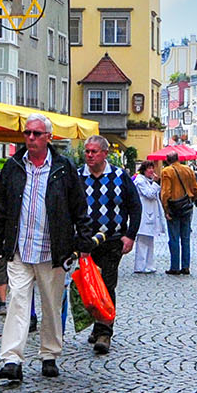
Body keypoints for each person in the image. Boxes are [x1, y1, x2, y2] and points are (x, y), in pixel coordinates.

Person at [0, 114, 93, 382]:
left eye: (36, 133)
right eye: (27, 133)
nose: (30, 138)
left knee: (51, 305)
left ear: (48, 137)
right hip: (19, 248)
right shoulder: (13, 166)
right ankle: (11, 359)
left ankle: (49, 353)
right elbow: (0, 207)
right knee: (18, 302)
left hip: (53, 249)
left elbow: (79, 207)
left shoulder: (63, 168)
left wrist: (84, 240)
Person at [78, 135, 141, 356]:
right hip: (86, 242)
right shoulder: (78, 177)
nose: (89, 155)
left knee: (106, 284)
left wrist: (130, 235)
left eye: (94, 151)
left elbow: (135, 206)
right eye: (87, 151)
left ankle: (105, 332)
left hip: (112, 240)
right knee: (88, 285)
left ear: (105, 153)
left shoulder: (119, 176)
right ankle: (97, 325)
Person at [159, 154, 197, 274]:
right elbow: (196, 189)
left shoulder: (167, 171)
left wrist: (166, 209)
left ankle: (175, 266)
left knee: (174, 238)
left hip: (174, 207)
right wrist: (192, 199)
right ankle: (186, 266)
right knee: (186, 238)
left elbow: (165, 193)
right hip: (186, 206)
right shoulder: (188, 170)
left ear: (167, 160)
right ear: (178, 159)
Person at [131, 160, 166, 274]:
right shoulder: (140, 181)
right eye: (149, 168)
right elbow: (149, 194)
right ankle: (140, 266)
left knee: (150, 240)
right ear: (144, 170)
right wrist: (155, 184)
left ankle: (149, 264)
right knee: (142, 241)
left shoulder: (147, 181)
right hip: (144, 214)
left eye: (152, 168)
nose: (151, 171)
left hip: (150, 214)